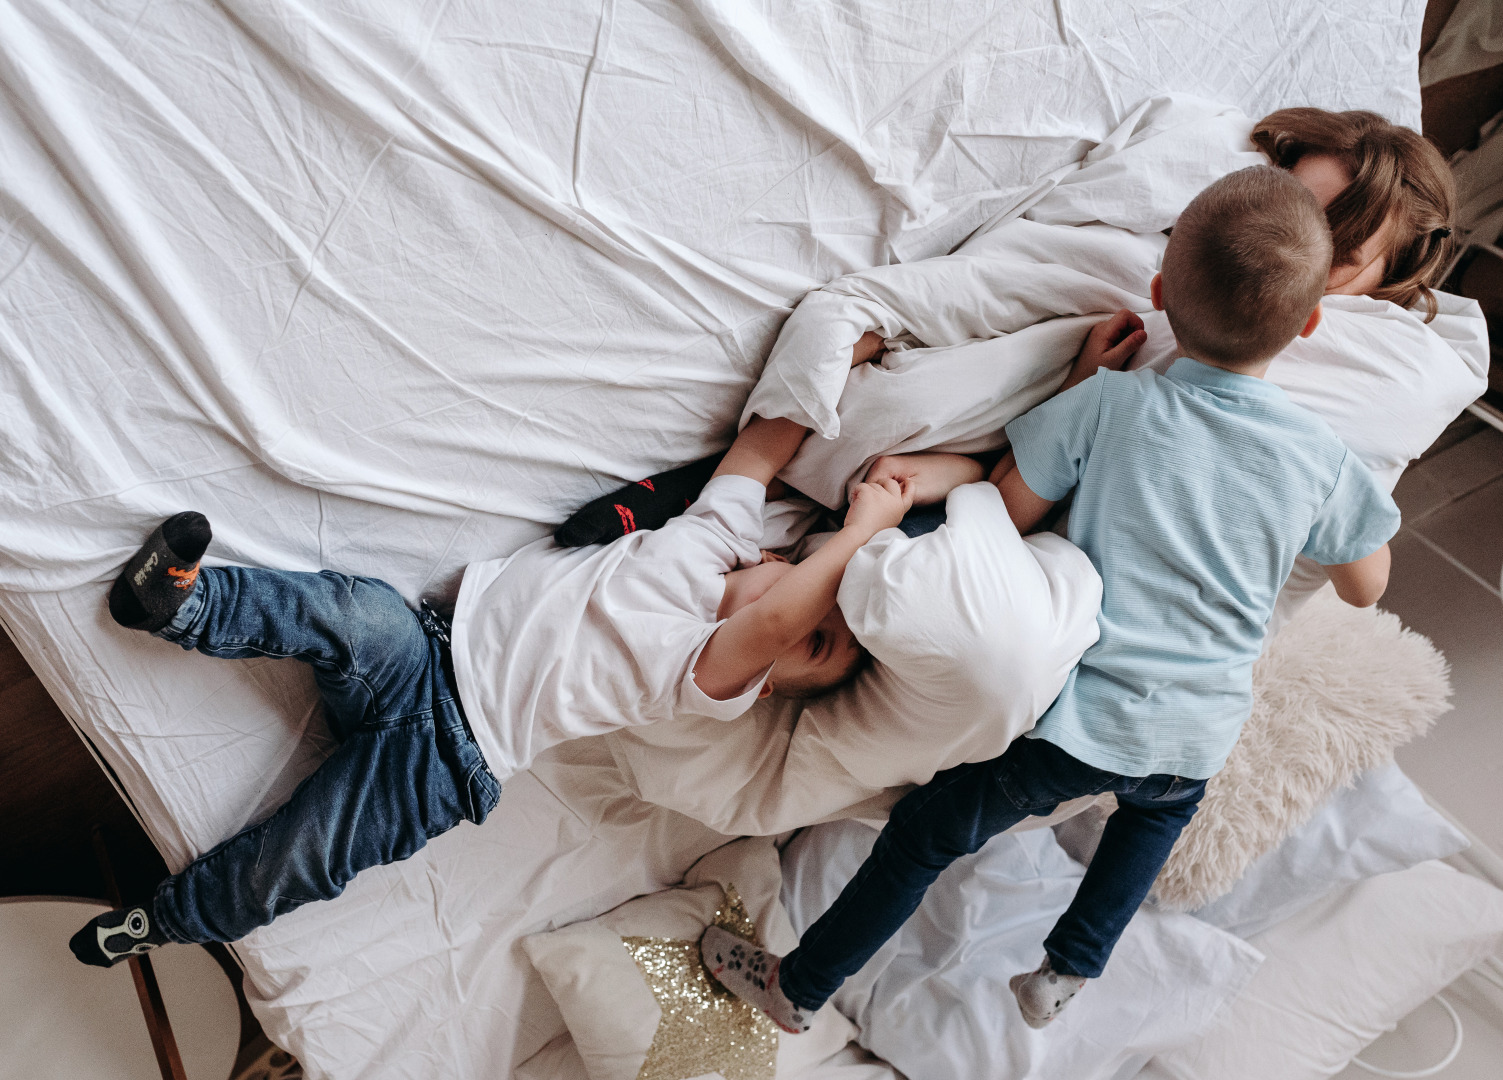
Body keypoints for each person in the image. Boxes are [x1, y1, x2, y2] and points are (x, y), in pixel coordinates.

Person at [700, 166, 1402, 1034]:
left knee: (926, 836)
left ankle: (796, 987)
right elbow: (1366, 588)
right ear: (1309, 324)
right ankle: (1069, 965)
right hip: (1200, 728)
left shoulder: (1110, 406)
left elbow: (1008, 504)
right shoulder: (1321, 459)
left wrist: (1075, 385)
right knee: (1153, 819)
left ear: (1156, 293)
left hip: (1084, 725)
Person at [69, 415, 913, 967]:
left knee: (309, 851)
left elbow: (771, 627)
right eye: (818, 597)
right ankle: (180, 602)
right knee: (351, 612)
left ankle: (168, 921)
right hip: (427, 651)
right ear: (778, 556)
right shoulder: (719, 533)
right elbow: (763, 445)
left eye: (816, 640)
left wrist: (865, 532)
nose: (808, 612)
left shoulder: (718, 674)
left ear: (769, 688)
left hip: (450, 759)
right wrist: (842, 363)